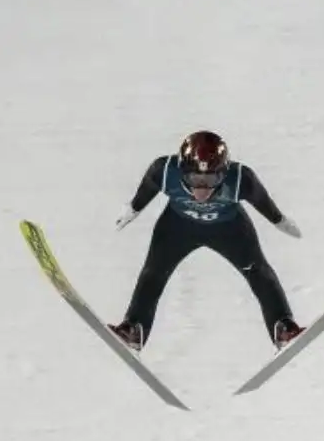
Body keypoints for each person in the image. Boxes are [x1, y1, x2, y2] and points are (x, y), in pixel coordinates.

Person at [109, 130, 304, 352]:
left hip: (230, 230)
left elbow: (264, 203)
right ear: (181, 170)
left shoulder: (241, 179)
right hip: (176, 228)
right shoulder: (164, 171)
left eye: (211, 179)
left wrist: (280, 221)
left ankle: (284, 328)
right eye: (194, 178)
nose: (201, 189)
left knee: (259, 272)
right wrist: (132, 210)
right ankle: (134, 329)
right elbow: (145, 192)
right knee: (153, 272)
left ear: (224, 172)